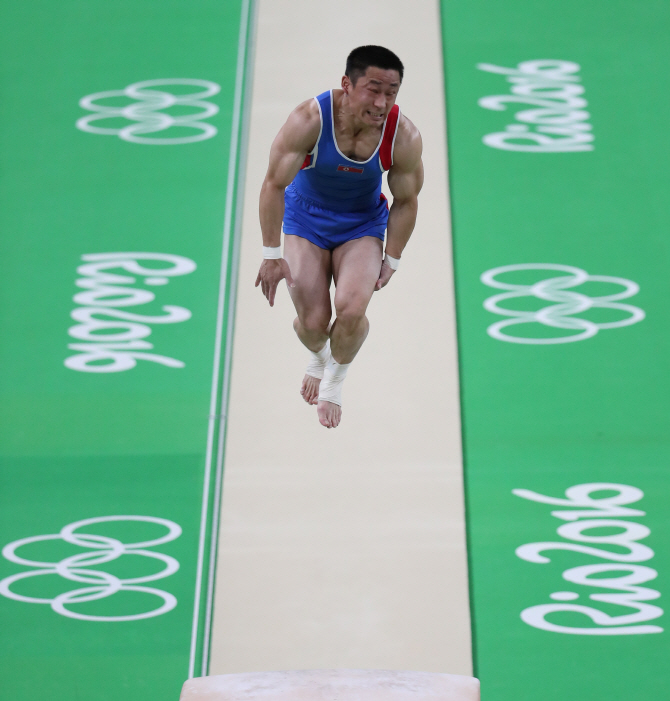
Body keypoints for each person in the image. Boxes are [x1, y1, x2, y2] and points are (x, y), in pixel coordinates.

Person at [256, 45, 423, 429]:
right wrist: (270, 254)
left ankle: (335, 378)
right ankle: (318, 355)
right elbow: (273, 184)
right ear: (346, 84)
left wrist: (392, 259)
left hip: (360, 224)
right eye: (373, 89)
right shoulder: (309, 120)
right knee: (314, 324)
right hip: (305, 220)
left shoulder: (403, 135)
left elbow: (407, 199)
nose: (382, 102)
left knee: (351, 312)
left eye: (392, 92)